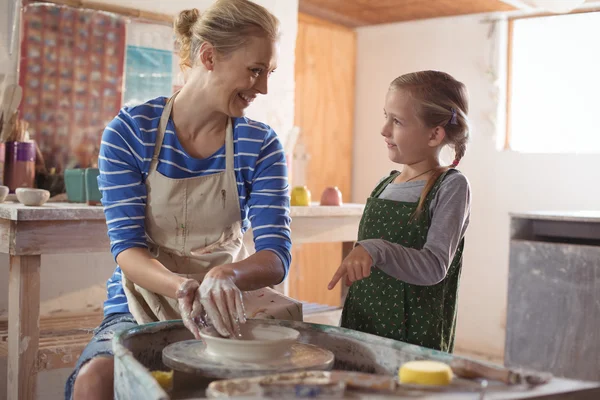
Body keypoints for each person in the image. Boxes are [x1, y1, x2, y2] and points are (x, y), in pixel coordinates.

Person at [66, 1, 295, 399]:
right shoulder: (130, 131)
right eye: (255, 70)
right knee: (95, 381)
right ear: (208, 56)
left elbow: (276, 256)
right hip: (138, 305)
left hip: (224, 309)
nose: (263, 87)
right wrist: (182, 287)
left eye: (269, 72)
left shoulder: (260, 145)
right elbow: (127, 250)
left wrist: (227, 276)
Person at [328, 70, 471, 353]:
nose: (384, 130)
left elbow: (434, 266)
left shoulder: (451, 186)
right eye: (386, 116)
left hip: (412, 338)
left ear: (434, 134)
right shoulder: (385, 184)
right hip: (362, 325)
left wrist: (376, 249)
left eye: (397, 121)